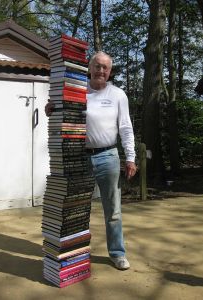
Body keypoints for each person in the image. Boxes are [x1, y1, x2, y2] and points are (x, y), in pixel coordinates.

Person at [45, 51, 137, 270]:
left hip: (108, 157)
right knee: (74, 208)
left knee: (113, 210)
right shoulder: (76, 90)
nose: (101, 71)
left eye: (105, 67)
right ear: (89, 67)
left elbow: (125, 128)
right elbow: (60, 112)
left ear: (110, 71)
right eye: (97, 66)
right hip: (78, 156)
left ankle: (117, 253)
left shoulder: (118, 95)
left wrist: (130, 157)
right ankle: (74, 255)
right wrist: (51, 109)